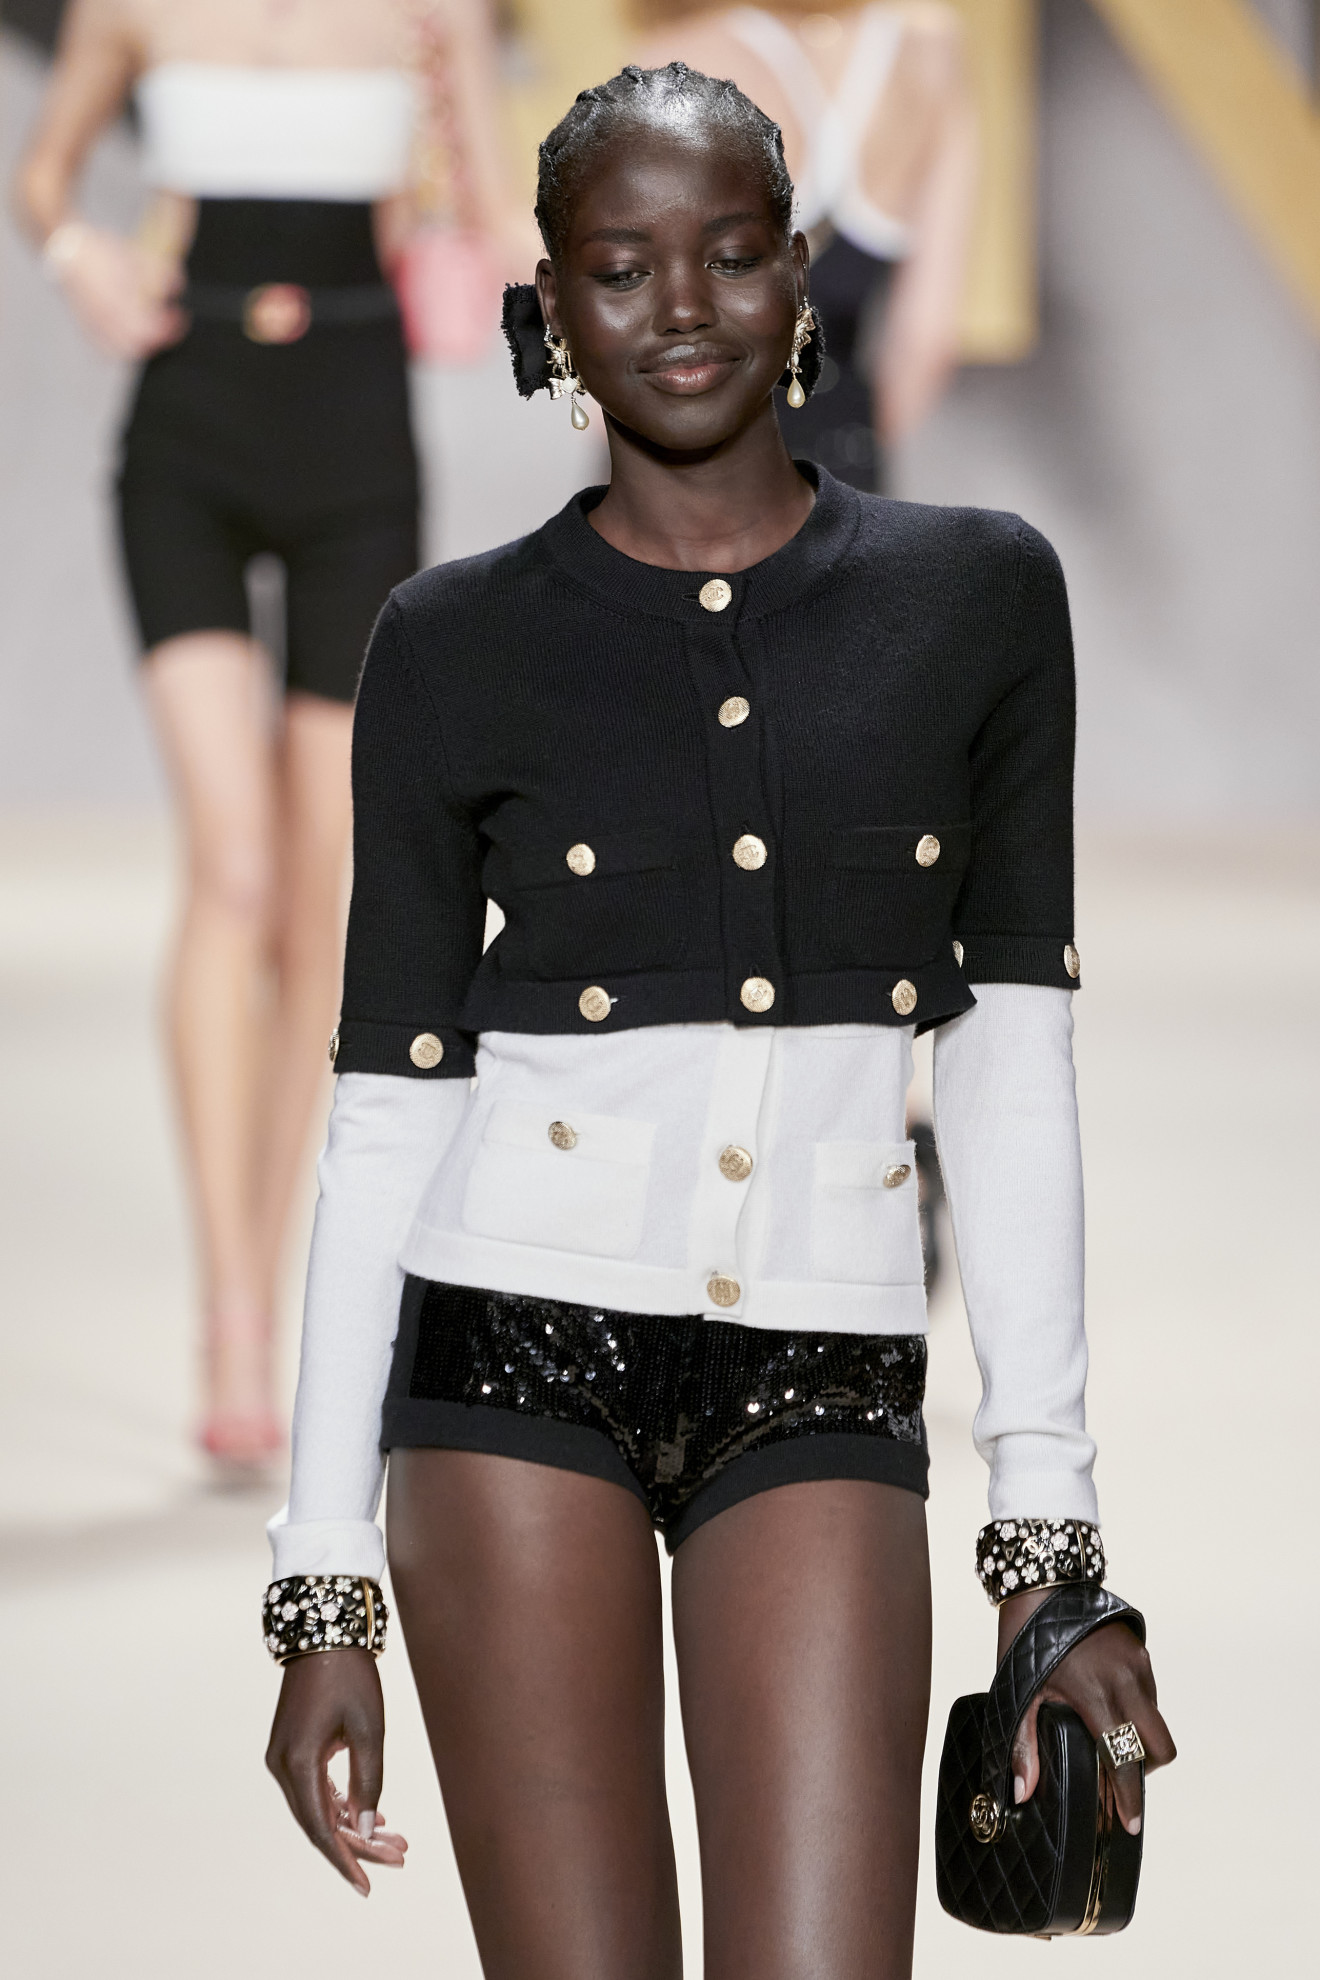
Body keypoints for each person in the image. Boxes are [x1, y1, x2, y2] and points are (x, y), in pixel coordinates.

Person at [262, 62, 1175, 1976]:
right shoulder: (452, 640)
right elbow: (386, 1110)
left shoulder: (979, 599)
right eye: (620, 268)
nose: (681, 307)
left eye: (733, 254)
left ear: (801, 278)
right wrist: (322, 1580)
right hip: (510, 1360)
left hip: (825, 1366)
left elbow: (1010, 1065)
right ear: (552, 311)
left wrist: (1052, 1546)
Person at [14, 0, 519, 1469]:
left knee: (314, 890)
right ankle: (232, 1307)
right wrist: (78, 252)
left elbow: (498, 221)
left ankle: (273, 1264)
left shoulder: (425, 11)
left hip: (357, 447)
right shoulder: (135, 5)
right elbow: (43, 176)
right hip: (186, 434)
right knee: (230, 866)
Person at [633, 2, 977, 495]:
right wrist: (857, 449)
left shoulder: (675, 61)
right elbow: (927, 338)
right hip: (840, 454)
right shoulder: (925, 49)